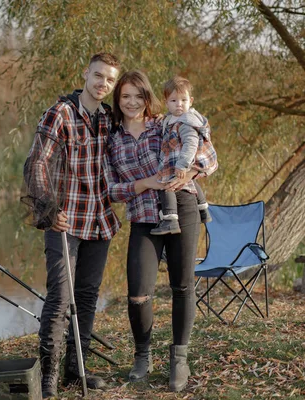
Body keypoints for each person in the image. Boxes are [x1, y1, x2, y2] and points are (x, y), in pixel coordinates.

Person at [105, 70, 217, 392]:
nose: (132, 102)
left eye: (138, 96)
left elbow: (210, 156)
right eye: (125, 96)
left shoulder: (165, 123)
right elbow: (111, 189)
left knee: (182, 286)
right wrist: (144, 183)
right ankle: (143, 355)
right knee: (138, 293)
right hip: (143, 217)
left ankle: (179, 358)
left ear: (148, 98)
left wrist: (191, 171)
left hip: (182, 208)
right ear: (118, 100)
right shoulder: (112, 139)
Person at [23, 52, 122, 399]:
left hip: (99, 221)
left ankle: (74, 370)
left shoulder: (109, 117)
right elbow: (37, 163)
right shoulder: (61, 113)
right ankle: (49, 373)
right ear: (86, 73)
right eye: (98, 76)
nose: (103, 84)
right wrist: (50, 209)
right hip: (65, 220)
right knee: (61, 298)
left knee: (87, 296)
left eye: (109, 80)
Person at [150, 76, 215, 235]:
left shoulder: (186, 122)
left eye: (183, 100)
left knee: (166, 185)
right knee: (189, 181)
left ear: (190, 101)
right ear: (166, 102)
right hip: (178, 162)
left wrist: (182, 165)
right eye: (173, 101)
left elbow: (191, 144)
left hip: (178, 163)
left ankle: (170, 219)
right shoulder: (172, 119)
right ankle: (203, 208)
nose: (179, 104)